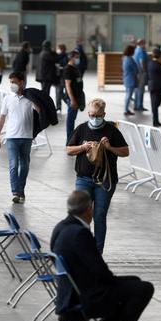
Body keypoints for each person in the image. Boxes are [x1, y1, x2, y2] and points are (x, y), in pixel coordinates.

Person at [51, 190, 154, 321]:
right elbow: (100, 271)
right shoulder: (80, 233)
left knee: (134, 282)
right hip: (85, 295)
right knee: (143, 288)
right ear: (88, 210)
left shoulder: (61, 227)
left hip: (69, 290)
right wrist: (116, 282)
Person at [65, 98, 129, 254]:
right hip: (83, 179)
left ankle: (97, 252)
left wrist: (110, 147)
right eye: (92, 115)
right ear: (88, 113)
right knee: (80, 213)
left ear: (104, 114)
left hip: (105, 181)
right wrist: (82, 146)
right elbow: (68, 149)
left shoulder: (111, 130)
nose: (95, 118)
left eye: (98, 115)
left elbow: (125, 152)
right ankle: (81, 248)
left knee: (99, 215)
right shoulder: (81, 129)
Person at [0, 71, 35, 204]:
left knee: (24, 165)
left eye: (14, 82)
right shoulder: (7, 98)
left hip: (26, 136)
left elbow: (40, 113)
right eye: (10, 82)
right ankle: (15, 192)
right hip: (11, 136)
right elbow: (2, 118)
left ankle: (21, 188)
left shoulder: (30, 99)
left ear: (21, 82)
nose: (12, 85)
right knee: (13, 165)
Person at [63, 51, 85, 142]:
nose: (78, 59)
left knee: (73, 118)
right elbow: (68, 85)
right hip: (73, 98)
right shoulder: (68, 69)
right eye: (76, 57)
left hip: (78, 97)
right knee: (70, 120)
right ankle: (69, 140)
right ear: (71, 57)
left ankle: (71, 139)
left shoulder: (75, 68)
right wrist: (72, 100)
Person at [147, 48, 161, 127]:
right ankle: (155, 121)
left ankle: (156, 120)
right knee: (156, 105)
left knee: (154, 105)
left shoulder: (150, 63)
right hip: (158, 87)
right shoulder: (158, 64)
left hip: (152, 86)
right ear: (160, 55)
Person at [122, 45, 138, 116]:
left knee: (127, 95)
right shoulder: (130, 59)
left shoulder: (125, 58)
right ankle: (126, 110)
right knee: (128, 96)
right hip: (131, 79)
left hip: (127, 78)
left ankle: (126, 109)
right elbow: (135, 69)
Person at [133, 40, 148, 112]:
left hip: (136, 72)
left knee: (137, 89)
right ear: (142, 44)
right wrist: (145, 70)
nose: (145, 45)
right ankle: (139, 105)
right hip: (141, 72)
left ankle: (136, 105)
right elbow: (141, 61)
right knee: (141, 90)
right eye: (144, 43)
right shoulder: (141, 51)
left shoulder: (136, 50)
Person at [55, 44, 68, 112]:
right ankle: (58, 107)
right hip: (59, 77)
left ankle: (67, 103)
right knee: (58, 92)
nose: (57, 50)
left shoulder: (65, 56)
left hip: (62, 77)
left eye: (58, 48)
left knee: (59, 92)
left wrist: (60, 67)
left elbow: (65, 66)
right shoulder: (58, 56)